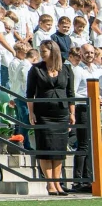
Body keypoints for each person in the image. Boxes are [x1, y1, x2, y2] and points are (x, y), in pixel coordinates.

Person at [28, 40, 75, 195]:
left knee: (59, 150)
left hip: (61, 114)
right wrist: (31, 112)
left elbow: (70, 94)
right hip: (43, 114)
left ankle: (57, 183)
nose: (42, 54)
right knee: (45, 149)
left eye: (44, 51)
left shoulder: (66, 69)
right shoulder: (36, 69)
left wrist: (72, 113)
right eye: (41, 51)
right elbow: (30, 93)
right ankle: (50, 184)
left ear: (53, 51)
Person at [72, 45, 101, 192]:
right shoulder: (78, 70)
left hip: (95, 108)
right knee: (83, 144)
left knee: (93, 144)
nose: (89, 55)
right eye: (86, 53)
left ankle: (90, 179)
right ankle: (78, 181)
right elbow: (73, 92)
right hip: (82, 108)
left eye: (91, 52)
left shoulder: (96, 69)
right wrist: (90, 97)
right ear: (81, 54)